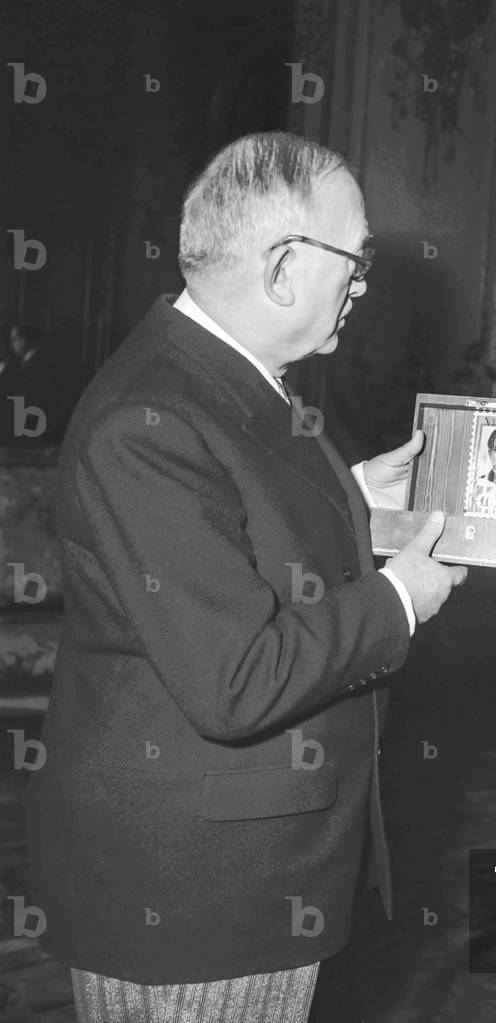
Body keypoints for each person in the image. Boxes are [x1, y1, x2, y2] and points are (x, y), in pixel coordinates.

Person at [27, 131, 466, 1023]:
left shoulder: (222, 378)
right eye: (358, 256)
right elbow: (236, 677)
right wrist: (399, 601)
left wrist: (351, 496)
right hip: (195, 888)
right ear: (284, 265)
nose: (365, 281)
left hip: (245, 864)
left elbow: (237, 523)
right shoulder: (149, 419)